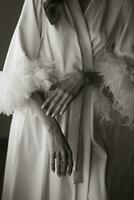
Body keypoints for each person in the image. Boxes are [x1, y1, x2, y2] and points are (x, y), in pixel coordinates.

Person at [1, 0, 134, 199]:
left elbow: (128, 73)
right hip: (40, 122)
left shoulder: (122, 3)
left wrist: (85, 77)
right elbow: (18, 70)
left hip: (91, 124)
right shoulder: (38, 1)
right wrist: (53, 131)